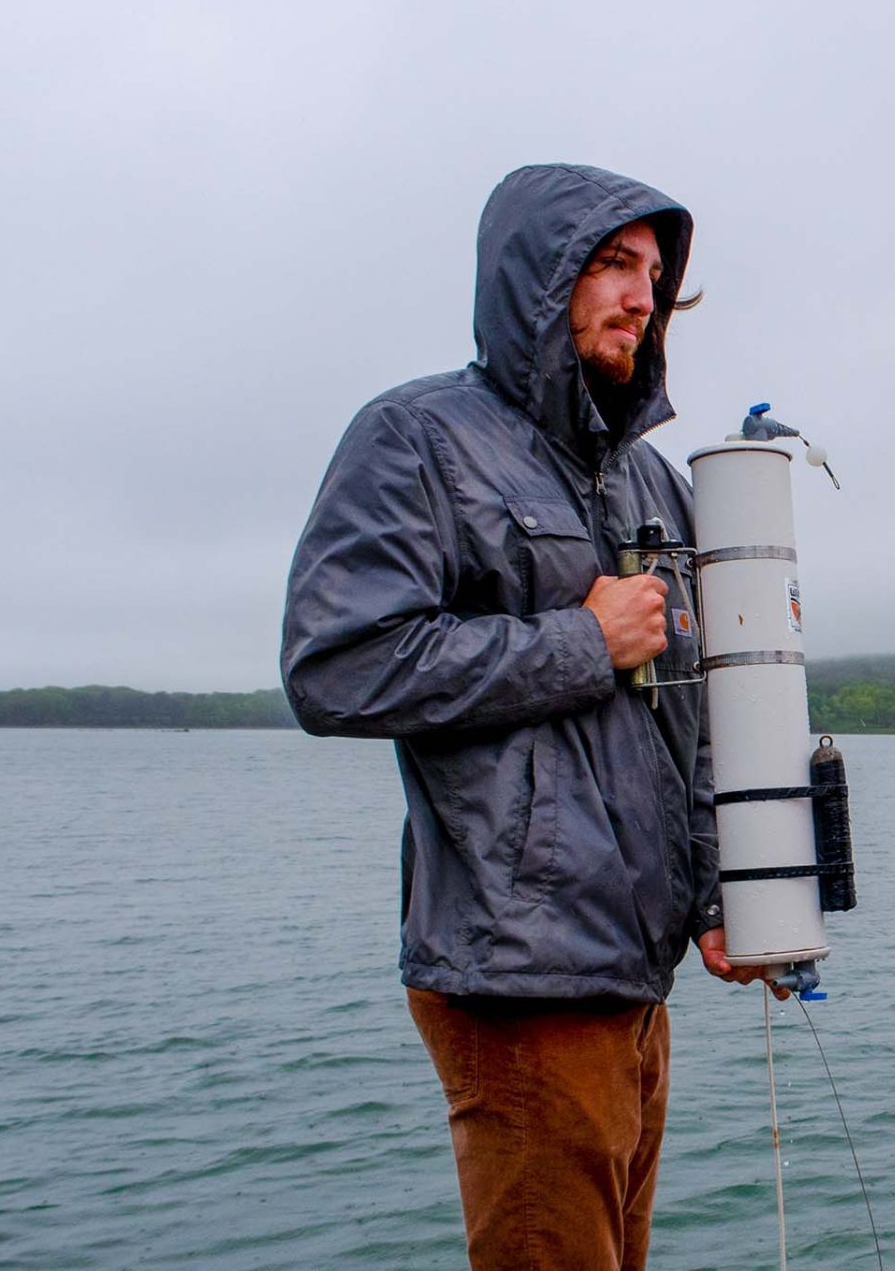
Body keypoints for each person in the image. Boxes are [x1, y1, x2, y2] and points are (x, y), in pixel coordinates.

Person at [280, 164, 768, 1271]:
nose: (640, 297)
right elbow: (337, 667)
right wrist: (579, 641)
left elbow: (685, 720)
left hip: (633, 981)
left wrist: (714, 896)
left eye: (653, 273)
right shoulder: (416, 440)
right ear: (533, 282)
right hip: (516, 978)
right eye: (609, 264)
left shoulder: (651, 480)